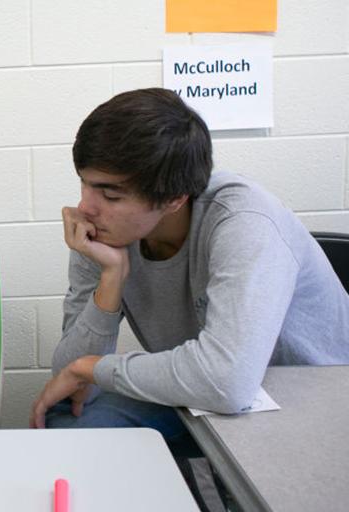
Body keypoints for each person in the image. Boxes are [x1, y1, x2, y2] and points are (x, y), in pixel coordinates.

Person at [29, 88, 349, 437]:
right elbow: (71, 377)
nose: (86, 207)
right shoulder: (102, 231)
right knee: (63, 418)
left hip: (307, 397)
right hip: (206, 393)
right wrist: (111, 278)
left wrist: (93, 368)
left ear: (174, 199)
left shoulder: (244, 221)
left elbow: (228, 382)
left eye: (110, 194)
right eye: (85, 184)